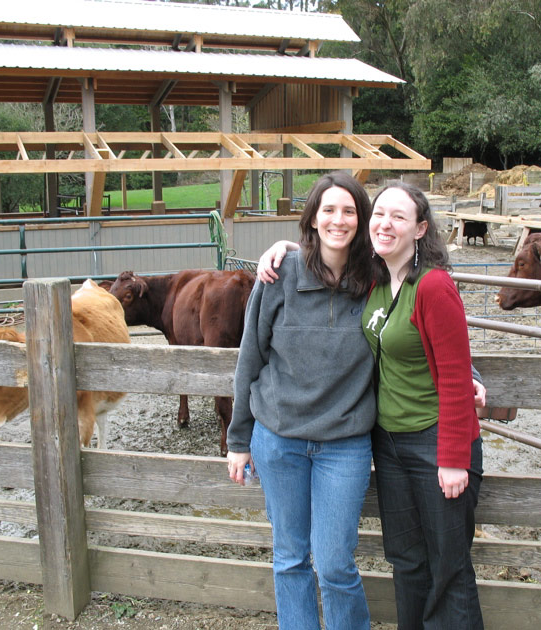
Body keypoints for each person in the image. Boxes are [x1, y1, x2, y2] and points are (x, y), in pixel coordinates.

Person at [257, 181, 485, 630]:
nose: (385, 224)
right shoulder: (377, 280)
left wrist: (456, 453)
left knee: (447, 567)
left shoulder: (432, 285)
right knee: (406, 560)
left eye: (398, 217)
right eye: (379, 214)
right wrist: (286, 246)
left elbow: (455, 362)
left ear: (421, 228)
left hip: (435, 444)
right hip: (388, 445)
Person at [225, 171, 376, 630]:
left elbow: (424, 315)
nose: (338, 219)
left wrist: (466, 372)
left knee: (334, 564)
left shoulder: (377, 278)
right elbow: (250, 357)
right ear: (311, 218)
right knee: (290, 556)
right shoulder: (278, 276)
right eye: (328, 209)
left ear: (361, 220)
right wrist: (239, 438)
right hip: (279, 439)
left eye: (349, 210)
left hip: (344, 444)